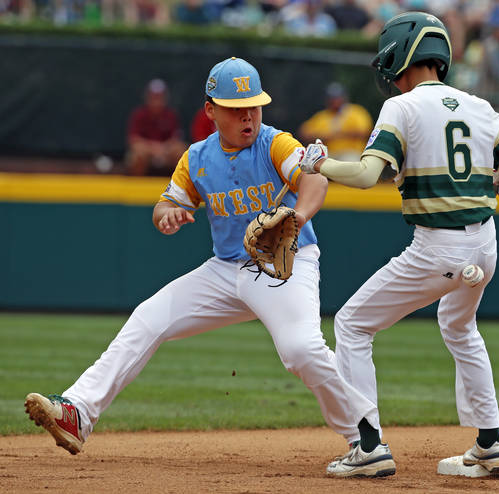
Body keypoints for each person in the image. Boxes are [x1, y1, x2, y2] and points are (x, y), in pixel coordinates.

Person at [23, 57, 396, 479]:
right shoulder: (197, 158)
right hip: (225, 269)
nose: (248, 116)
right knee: (149, 317)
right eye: (236, 108)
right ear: (211, 110)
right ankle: (78, 412)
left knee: (301, 349)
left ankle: (365, 440)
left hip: (283, 264)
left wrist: (299, 216)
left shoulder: (276, 144)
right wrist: (166, 215)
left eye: (253, 105)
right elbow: (168, 203)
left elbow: (314, 179)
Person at [299, 12, 499, 476]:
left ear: (401, 56)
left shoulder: (403, 106)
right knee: (460, 327)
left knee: (352, 325)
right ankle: (491, 441)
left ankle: (367, 444)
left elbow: (369, 174)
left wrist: (320, 164)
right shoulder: (476, 105)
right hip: (485, 246)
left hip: (439, 247)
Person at [298, 82, 373, 161]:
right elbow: (303, 133)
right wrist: (325, 137)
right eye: (332, 98)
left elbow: (366, 132)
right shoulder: (322, 116)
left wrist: (341, 134)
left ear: (344, 97)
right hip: (328, 154)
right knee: (313, 165)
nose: (334, 101)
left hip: (351, 152)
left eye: (337, 97)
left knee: (349, 161)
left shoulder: (356, 111)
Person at [126, 78, 187, 176]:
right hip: (147, 152)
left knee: (181, 151)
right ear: (148, 97)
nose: (156, 101)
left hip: (166, 151)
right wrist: (153, 149)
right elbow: (134, 139)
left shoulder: (171, 115)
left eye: (159, 97)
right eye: (154, 97)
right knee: (137, 153)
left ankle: (179, 186)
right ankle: (137, 186)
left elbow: (176, 138)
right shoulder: (139, 115)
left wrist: (162, 149)